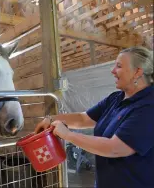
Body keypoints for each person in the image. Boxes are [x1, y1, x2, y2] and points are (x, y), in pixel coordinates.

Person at [34, 46, 154, 188]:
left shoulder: (148, 106)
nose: (112, 71)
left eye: (119, 66)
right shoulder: (116, 98)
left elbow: (114, 148)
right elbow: (83, 118)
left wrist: (67, 135)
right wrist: (51, 119)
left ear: (137, 72)